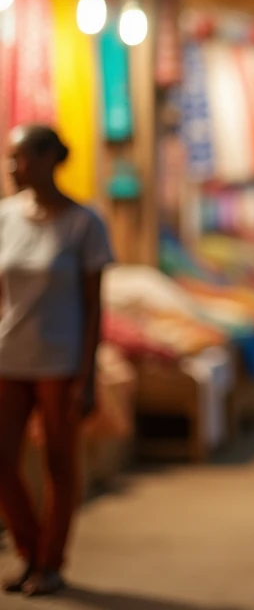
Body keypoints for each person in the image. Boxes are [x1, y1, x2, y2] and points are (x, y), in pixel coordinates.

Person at [0, 125, 113, 597]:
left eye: (21, 156)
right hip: (9, 358)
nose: (12, 166)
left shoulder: (85, 224)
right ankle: (27, 549)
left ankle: (50, 560)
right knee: (3, 461)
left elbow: (93, 306)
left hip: (60, 361)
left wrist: (86, 377)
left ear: (49, 159)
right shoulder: (5, 217)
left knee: (59, 464)